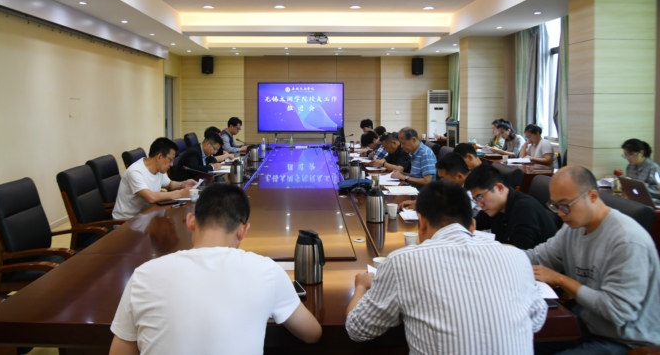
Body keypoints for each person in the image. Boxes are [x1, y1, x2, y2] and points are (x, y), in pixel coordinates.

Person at [109, 183, 322, 355]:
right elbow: (312, 334)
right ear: (243, 230)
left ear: (190, 221)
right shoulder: (267, 271)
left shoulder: (144, 275)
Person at [345, 181, 547, 354]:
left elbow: (357, 329)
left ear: (422, 222)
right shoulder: (517, 257)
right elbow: (537, 319)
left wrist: (361, 286)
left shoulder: (402, 262)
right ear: (472, 226)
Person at [529, 166, 660, 354]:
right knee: (518, 341)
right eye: (555, 205)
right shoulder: (573, 228)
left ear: (592, 196)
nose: (560, 213)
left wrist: (561, 279)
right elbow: (539, 256)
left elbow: (617, 312)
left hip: (625, 339)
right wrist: (501, 254)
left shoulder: (627, 240)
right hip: (588, 322)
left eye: (565, 205)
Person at [464, 165, 557, 249]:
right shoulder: (494, 207)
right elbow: (473, 224)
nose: (480, 204)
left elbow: (518, 251)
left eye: (480, 197)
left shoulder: (524, 209)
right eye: (475, 199)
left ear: (499, 188)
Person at [112, 138, 197, 220]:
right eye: (170, 160)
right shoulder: (135, 172)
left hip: (147, 215)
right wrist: (181, 193)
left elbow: (169, 184)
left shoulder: (159, 169)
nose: (171, 164)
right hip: (127, 221)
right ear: (159, 157)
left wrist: (183, 184)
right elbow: (151, 197)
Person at [399, 153, 481, 216]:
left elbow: (452, 212)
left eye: (443, 178)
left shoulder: (473, 189)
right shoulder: (458, 186)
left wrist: (423, 206)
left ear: (459, 176)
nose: (441, 182)